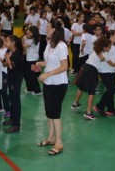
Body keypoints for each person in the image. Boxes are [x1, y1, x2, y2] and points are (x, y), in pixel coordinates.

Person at [36, 19, 68, 156]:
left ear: (54, 29)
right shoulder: (49, 43)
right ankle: (51, 138)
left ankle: (59, 142)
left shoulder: (61, 46)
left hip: (58, 84)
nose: (46, 29)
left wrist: (47, 74)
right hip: (48, 83)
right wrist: (41, 64)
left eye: (48, 27)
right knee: (49, 113)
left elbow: (64, 66)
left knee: (55, 114)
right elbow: (50, 61)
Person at [71, 37, 112, 120]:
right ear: (104, 47)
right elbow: (107, 61)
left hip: (85, 67)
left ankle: (75, 103)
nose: (110, 48)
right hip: (91, 70)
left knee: (81, 87)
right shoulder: (104, 54)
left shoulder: (96, 50)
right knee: (92, 91)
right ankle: (88, 112)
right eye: (109, 47)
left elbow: (96, 47)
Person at [2, 35, 24, 133]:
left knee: (15, 101)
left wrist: (7, 59)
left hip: (16, 80)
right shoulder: (8, 52)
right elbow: (4, 63)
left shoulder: (17, 54)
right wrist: (5, 59)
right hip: (10, 78)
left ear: (13, 43)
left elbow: (11, 66)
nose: (5, 43)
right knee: (11, 98)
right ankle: (12, 118)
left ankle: (16, 124)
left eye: (7, 41)